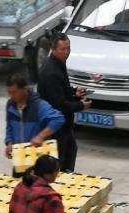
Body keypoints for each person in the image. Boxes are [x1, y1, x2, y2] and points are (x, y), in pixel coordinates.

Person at [36, 33, 92, 173]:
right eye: (63, 49)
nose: (67, 52)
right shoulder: (51, 72)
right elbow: (59, 105)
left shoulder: (58, 63)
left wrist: (74, 92)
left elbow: (60, 90)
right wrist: (80, 106)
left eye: (68, 48)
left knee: (71, 150)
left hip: (64, 125)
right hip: (55, 126)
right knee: (59, 161)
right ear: (53, 49)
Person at [4, 72, 64, 164]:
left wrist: (40, 136)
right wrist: (9, 143)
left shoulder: (38, 105)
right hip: (19, 156)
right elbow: (9, 126)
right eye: (9, 92)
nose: (11, 96)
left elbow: (58, 119)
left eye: (14, 92)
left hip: (39, 156)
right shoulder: (10, 105)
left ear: (24, 89)